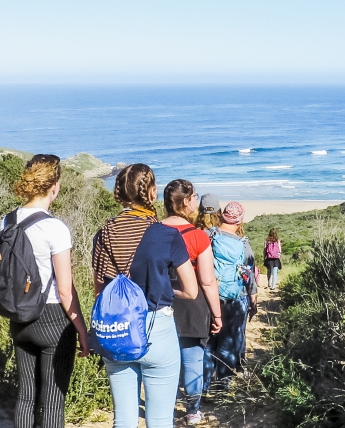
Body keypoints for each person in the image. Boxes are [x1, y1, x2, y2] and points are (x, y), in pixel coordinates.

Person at [92, 164, 201, 428]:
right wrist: (162, 286)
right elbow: (191, 289)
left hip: (116, 328)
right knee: (160, 420)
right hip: (157, 327)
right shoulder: (167, 235)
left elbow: (100, 290)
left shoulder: (104, 233)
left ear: (118, 193)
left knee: (124, 420)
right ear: (152, 193)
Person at [2, 154, 91, 428]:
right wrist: (82, 330)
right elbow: (65, 290)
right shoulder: (55, 228)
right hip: (52, 318)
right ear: (55, 186)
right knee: (53, 399)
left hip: (19, 316)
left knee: (26, 397)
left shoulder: (6, 221)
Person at [161, 181, 222, 425]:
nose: (196, 201)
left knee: (165, 360)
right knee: (193, 360)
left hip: (162, 299)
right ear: (186, 202)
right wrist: (217, 315)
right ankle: (193, 410)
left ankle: (164, 405)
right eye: (194, 196)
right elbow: (207, 281)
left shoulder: (153, 231)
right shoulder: (198, 237)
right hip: (193, 304)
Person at [205, 202, 258, 381]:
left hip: (208, 297)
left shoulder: (208, 236)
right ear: (240, 221)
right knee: (228, 345)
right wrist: (253, 301)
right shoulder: (243, 244)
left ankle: (203, 388)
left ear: (222, 216)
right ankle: (222, 388)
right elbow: (248, 275)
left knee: (208, 344)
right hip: (236, 299)